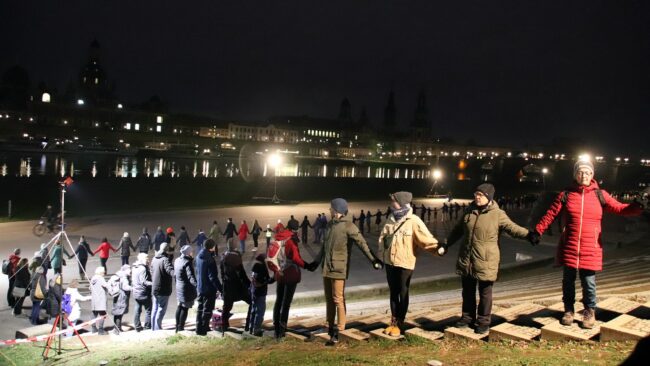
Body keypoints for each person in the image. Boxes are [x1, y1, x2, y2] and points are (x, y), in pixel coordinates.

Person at [531, 159, 643, 329]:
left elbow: (621, 209)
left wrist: (637, 206)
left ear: (592, 175)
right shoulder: (565, 195)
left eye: (587, 172)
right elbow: (550, 214)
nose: (584, 175)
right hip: (569, 245)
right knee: (567, 281)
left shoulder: (600, 195)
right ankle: (568, 310)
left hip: (591, 247)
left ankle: (589, 312)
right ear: (575, 175)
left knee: (589, 283)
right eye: (580, 172)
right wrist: (538, 230)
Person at [438, 183, 535, 334]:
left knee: (485, 292)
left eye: (481, 195)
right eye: (476, 194)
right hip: (467, 259)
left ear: (489, 197)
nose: (477, 197)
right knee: (467, 291)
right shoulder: (469, 211)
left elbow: (513, 228)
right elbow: (458, 230)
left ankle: (483, 321)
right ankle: (467, 318)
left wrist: (529, 235)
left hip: (486, 260)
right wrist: (446, 243)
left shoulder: (498, 214)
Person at [308, 198, 382, 345]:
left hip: (338, 268)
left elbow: (362, 243)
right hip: (326, 267)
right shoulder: (329, 225)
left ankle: (340, 330)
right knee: (329, 299)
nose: (329, 210)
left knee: (338, 299)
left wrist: (373, 259)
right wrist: (316, 262)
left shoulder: (349, 226)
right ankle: (329, 326)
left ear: (336, 211)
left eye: (331, 209)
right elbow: (324, 247)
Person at [378, 191, 440, 336]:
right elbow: (383, 238)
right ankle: (393, 322)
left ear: (401, 202)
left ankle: (400, 323)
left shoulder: (413, 220)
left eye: (394, 201)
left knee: (403, 292)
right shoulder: (391, 218)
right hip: (390, 262)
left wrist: (439, 249)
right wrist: (381, 255)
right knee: (393, 292)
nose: (392, 203)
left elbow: (426, 239)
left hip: (405, 263)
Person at [270, 224, 310, 338]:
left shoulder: (274, 242)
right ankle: (282, 329)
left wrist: (275, 273)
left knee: (278, 300)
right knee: (286, 303)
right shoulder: (290, 241)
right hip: (290, 274)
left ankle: (276, 327)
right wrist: (307, 266)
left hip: (280, 274)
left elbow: (272, 260)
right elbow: (297, 259)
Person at [220, 243, 251, 332]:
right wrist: (249, 285)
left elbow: (222, 274)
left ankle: (224, 327)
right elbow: (242, 275)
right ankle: (248, 324)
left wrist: (223, 285)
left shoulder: (223, 258)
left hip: (228, 288)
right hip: (239, 287)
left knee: (226, 308)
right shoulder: (236, 258)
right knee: (252, 302)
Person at [196, 239, 222, 335]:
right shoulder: (210, 260)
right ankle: (204, 329)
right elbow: (213, 277)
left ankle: (198, 328)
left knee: (200, 308)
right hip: (208, 289)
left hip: (200, 286)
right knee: (207, 309)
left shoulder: (198, 256)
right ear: (211, 247)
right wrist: (220, 289)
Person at [248, 253, 274, 336]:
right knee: (260, 311)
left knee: (253, 310)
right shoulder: (261, 267)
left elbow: (254, 280)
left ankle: (251, 328)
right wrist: (273, 279)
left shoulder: (255, 266)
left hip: (253, 291)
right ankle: (257, 329)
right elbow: (263, 281)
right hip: (260, 292)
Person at [151, 242, 175, 331]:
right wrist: (177, 273)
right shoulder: (165, 260)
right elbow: (170, 270)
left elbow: (151, 271)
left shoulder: (154, 259)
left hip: (155, 288)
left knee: (155, 308)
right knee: (161, 309)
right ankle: (157, 329)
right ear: (167, 250)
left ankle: (153, 328)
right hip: (163, 289)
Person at [175, 245, 197, 332]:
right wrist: (197, 285)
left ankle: (177, 326)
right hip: (186, 289)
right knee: (185, 308)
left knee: (180, 306)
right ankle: (181, 328)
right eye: (191, 251)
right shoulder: (187, 262)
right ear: (188, 253)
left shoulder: (177, 260)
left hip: (179, 287)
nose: (193, 253)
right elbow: (190, 277)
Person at [132, 253, 153, 332]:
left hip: (136, 292)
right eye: (147, 259)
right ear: (142, 259)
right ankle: (147, 326)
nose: (148, 260)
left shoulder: (134, 267)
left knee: (137, 309)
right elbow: (143, 281)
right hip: (144, 293)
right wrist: (153, 284)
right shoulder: (143, 269)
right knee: (148, 310)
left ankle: (137, 326)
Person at [111, 264, 132, 335]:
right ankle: (117, 329)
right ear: (125, 270)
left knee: (117, 313)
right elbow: (125, 287)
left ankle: (117, 328)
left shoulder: (119, 275)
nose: (130, 270)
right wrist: (133, 288)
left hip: (117, 296)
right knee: (119, 313)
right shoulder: (124, 277)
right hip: (122, 297)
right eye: (129, 269)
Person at [90, 266, 109, 335]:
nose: (104, 273)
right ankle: (101, 330)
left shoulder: (93, 278)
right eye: (104, 272)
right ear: (101, 272)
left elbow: (90, 288)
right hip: (100, 299)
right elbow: (106, 285)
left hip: (94, 299)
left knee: (94, 314)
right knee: (102, 314)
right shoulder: (100, 278)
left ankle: (93, 328)